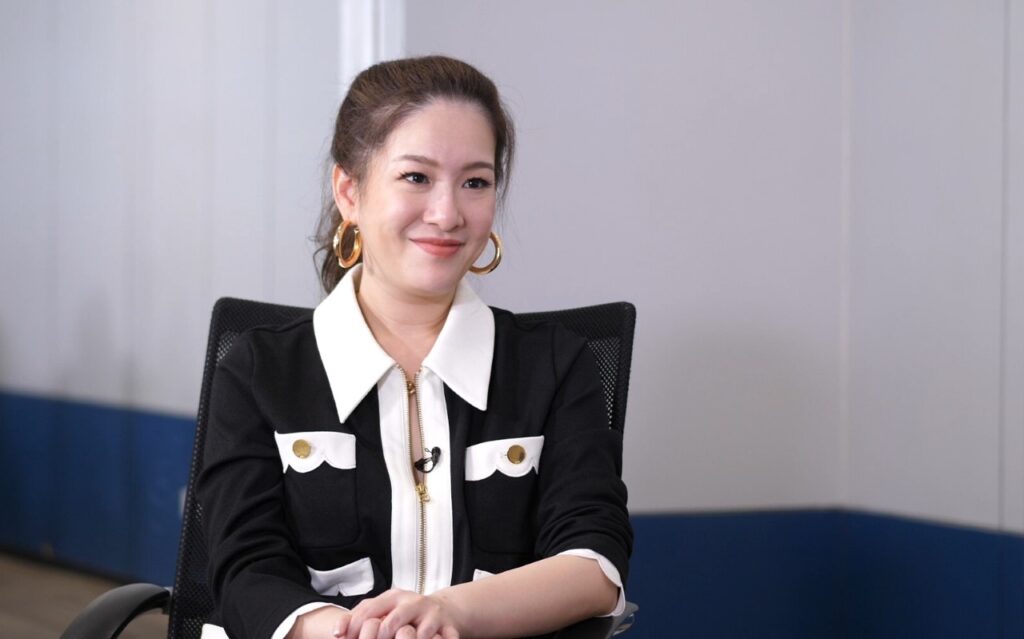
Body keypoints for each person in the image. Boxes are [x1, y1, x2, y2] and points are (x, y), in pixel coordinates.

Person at [197, 55, 632, 639]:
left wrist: (450, 614)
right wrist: (364, 635)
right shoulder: (257, 371)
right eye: (416, 178)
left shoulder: (554, 365)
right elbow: (245, 572)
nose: (447, 214)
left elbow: (594, 564)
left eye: (475, 182)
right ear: (349, 191)